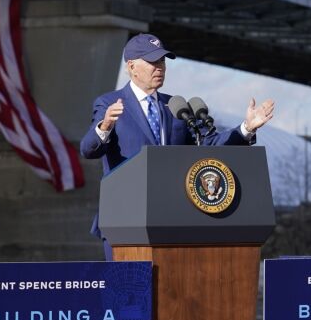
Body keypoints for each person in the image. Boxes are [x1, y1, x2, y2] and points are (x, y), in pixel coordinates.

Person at [80, 33, 275, 257]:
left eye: (162, 61)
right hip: (125, 222)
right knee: (129, 291)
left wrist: (246, 128)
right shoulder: (109, 104)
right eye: (153, 62)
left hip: (172, 221)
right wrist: (105, 125)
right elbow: (88, 149)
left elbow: (210, 146)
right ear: (132, 66)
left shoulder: (175, 106)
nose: (160, 67)